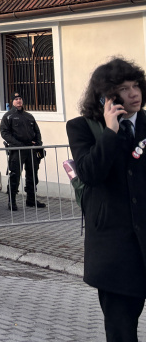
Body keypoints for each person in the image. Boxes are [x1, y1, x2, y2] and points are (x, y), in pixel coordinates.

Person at [67, 57, 146, 342]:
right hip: (115, 248)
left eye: (136, 85)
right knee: (122, 330)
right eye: (124, 88)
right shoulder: (83, 128)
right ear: (106, 96)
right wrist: (111, 131)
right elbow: (90, 173)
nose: (134, 93)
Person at [0, 91, 46, 210]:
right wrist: (18, 144)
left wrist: (39, 145)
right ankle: (12, 201)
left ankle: (31, 199)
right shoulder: (8, 116)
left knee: (32, 175)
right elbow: (5, 133)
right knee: (15, 175)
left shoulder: (29, 116)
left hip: (31, 150)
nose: (19, 101)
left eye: (20, 99)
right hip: (18, 150)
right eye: (16, 99)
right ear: (12, 102)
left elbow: (37, 132)